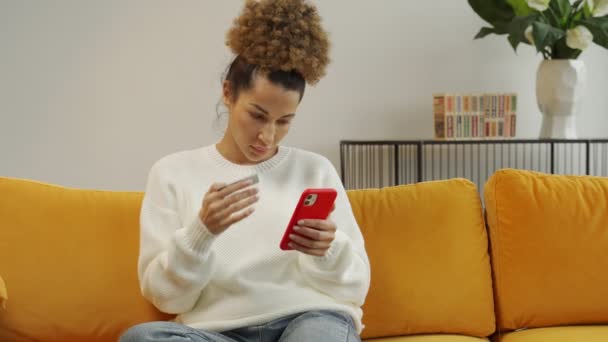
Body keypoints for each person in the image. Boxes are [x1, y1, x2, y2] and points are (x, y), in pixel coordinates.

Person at [120, 0, 370, 341]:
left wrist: (329, 249)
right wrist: (200, 234)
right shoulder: (172, 173)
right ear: (228, 93)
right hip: (219, 333)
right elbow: (167, 299)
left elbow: (357, 287)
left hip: (309, 320)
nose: (267, 136)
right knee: (142, 338)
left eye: (284, 122)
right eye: (257, 115)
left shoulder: (315, 170)